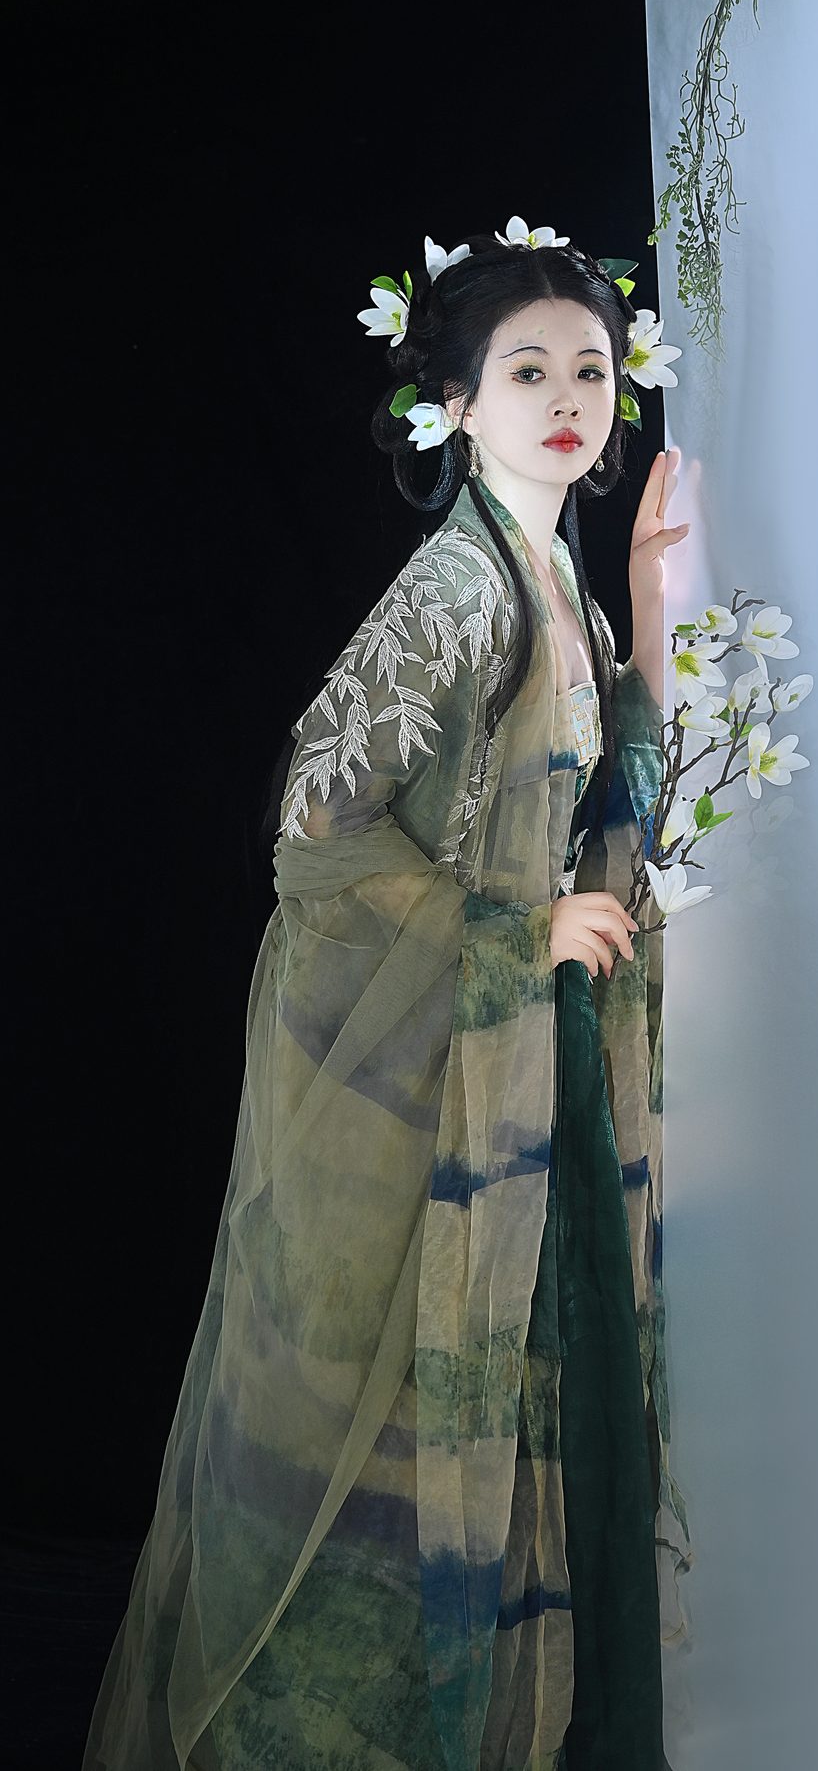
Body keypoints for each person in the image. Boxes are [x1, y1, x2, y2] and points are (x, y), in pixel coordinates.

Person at [82, 222, 694, 1771]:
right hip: (416, 1087)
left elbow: (612, 789)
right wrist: (516, 931)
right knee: (388, 1454)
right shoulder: (456, 589)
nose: (569, 399)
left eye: (592, 371)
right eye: (528, 371)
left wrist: (644, 596)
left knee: (507, 1423)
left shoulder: (554, 581)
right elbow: (313, 828)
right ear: (457, 405)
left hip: (520, 1071)